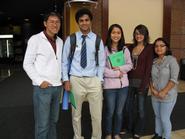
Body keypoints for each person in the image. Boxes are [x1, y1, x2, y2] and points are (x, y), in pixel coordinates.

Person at [62, 8, 105, 139]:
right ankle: (77, 136)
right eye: (81, 21)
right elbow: (64, 61)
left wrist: (99, 80)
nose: (84, 23)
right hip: (76, 81)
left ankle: (96, 137)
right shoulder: (71, 39)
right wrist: (66, 80)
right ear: (78, 23)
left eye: (87, 20)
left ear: (90, 21)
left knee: (97, 115)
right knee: (76, 114)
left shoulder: (98, 40)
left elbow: (102, 62)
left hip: (94, 81)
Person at [23, 12, 63, 139]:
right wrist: (40, 81)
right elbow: (27, 64)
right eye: (51, 21)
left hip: (57, 87)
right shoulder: (35, 39)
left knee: (53, 122)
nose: (55, 24)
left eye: (57, 22)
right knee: (43, 124)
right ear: (45, 23)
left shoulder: (61, 41)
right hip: (43, 88)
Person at [103, 24, 132, 139]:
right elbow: (102, 69)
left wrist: (120, 68)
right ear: (110, 34)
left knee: (119, 112)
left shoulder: (125, 50)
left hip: (123, 86)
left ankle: (116, 133)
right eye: (113, 32)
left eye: (118, 33)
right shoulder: (105, 50)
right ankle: (108, 133)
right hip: (109, 86)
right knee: (110, 111)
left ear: (121, 35)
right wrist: (116, 74)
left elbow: (129, 65)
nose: (116, 35)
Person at [125, 24, 154, 139]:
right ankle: (129, 128)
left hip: (142, 83)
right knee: (128, 107)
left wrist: (144, 85)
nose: (138, 36)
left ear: (145, 35)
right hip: (129, 83)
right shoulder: (130, 48)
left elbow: (148, 69)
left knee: (141, 109)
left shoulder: (149, 48)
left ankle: (139, 130)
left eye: (141, 33)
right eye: (136, 33)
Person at [150, 38, 179, 139]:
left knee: (164, 118)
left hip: (167, 95)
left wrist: (163, 91)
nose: (159, 48)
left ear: (166, 47)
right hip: (155, 95)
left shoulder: (172, 60)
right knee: (157, 116)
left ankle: (166, 137)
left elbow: (174, 79)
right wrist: (152, 89)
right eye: (156, 46)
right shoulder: (153, 61)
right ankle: (158, 134)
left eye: (161, 45)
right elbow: (150, 78)